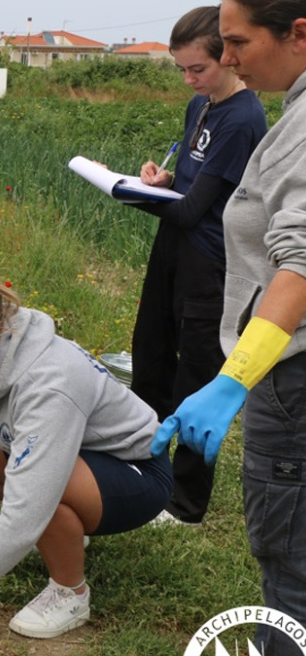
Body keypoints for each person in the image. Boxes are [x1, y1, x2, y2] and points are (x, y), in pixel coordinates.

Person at [0, 261, 172, 639]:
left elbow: (28, 509)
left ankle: (70, 593)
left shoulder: (49, 383)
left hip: (136, 470)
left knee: (44, 502)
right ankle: (64, 534)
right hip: (71, 455)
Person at [153, 1, 306, 651]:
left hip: (290, 375)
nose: (231, 58)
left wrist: (232, 381)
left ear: (299, 33)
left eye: (239, 42)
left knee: (290, 564)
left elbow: (299, 265)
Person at [128, 6, 267, 527]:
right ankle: (141, 468)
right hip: (173, 247)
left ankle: (185, 503)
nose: (189, 80)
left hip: (210, 261)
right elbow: (186, 190)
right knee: (152, 354)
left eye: (198, 69)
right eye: (181, 70)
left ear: (228, 58)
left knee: (195, 375)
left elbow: (195, 210)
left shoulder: (244, 118)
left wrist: (132, 194)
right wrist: (158, 181)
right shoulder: (200, 106)